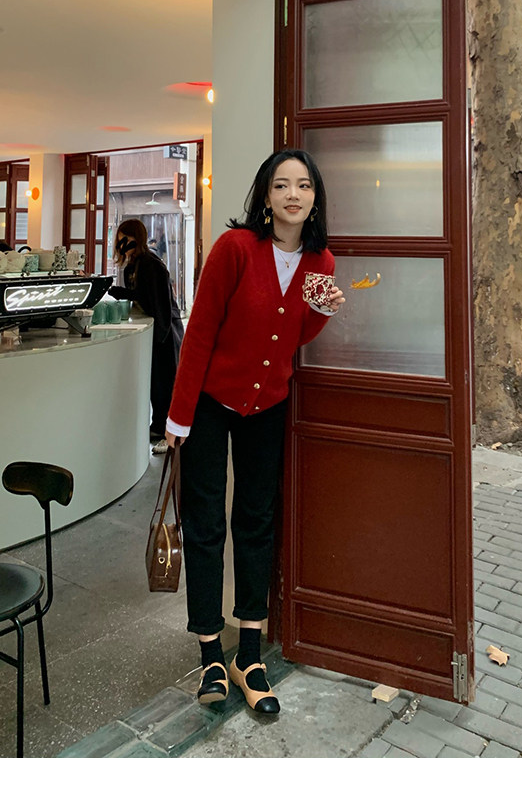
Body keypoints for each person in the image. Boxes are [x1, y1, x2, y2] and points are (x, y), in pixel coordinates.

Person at [165, 149, 345, 715]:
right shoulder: (236, 248)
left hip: (268, 405)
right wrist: (178, 415)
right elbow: (199, 332)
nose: (293, 194)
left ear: (315, 198)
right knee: (205, 524)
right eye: (281, 184)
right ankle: (209, 654)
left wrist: (324, 311)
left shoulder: (321, 261)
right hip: (210, 403)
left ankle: (248, 654)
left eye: (304, 185)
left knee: (256, 522)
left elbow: (297, 332)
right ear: (265, 196)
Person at [109, 219, 184, 454]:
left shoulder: (151, 265)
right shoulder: (134, 266)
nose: (121, 243)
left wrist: (160, 337)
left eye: (125, 238)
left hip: (165, 331)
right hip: (158, 330)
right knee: (157, 384)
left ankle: (166, 432)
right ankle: (159, 426)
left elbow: (159, 303)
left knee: (165, 383)